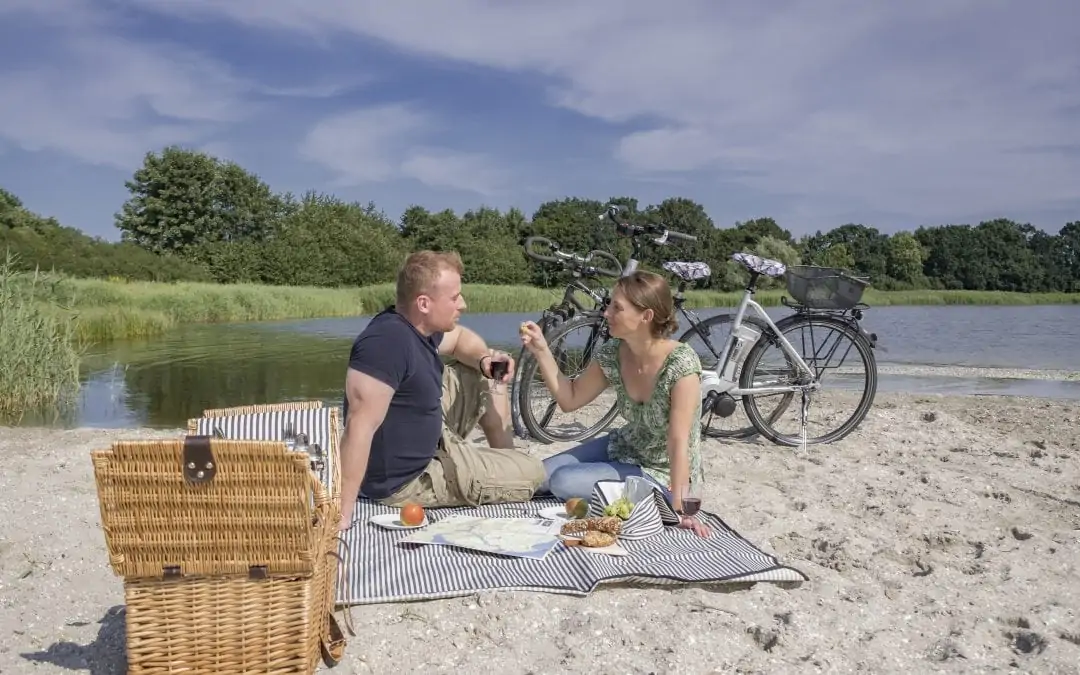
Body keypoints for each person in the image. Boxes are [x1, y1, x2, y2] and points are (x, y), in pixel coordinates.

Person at [338, 250, 545, 530]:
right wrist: (342, 513)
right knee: (534, 471)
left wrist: (485, 359)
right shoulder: (386, 344)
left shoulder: (416, 327)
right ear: (423, 303)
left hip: (431, 435)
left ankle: (503, 458)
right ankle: (509, 470)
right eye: (454, 298)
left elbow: (460, 338)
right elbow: (357, 428)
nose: (463, 304)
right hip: (411, 481)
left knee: (481, 372)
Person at [520, 270, 710, 536]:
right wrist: (541, 350)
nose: (606, 313)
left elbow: (679, 441)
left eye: (617, 307)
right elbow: (570, 399)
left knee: (564, 481)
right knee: (539, 476)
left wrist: (680, 510)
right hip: (624, 445)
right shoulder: (612, 353)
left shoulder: (681, 364)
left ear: (646, 316)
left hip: (660, 471)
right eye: (609, 304)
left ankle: (655, 502)